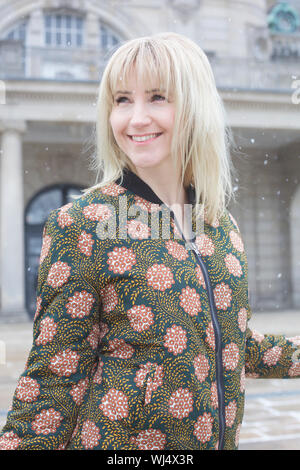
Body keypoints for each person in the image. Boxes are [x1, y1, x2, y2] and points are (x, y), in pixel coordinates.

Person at [0, 32, 299, 451]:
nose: (136, 118)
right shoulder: (84, 223)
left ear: (196, 107)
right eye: (122, 100)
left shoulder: (219, 224)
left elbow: (229, 342)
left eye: (158, 97)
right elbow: (53, 380)